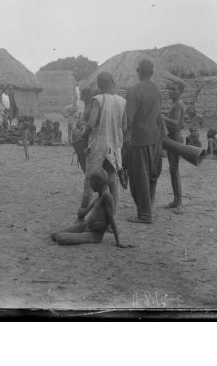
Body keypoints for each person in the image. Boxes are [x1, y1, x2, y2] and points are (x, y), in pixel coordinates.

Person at [79, 71, 126, 212]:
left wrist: (83, 136)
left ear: (99, 85)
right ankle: (111, 218)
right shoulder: (122, 101)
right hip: (115, 146)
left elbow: (91, 123)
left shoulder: (97, 100)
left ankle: (81, 217)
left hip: (98, 146)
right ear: (112, 83)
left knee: (89, 182)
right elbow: (125, 126)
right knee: (112, 182)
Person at [125, 59, 163, 224]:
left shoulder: (134, 91)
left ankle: (145, 215)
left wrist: (124, 136)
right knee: (152, 176)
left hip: (140, 139)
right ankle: (149, 207)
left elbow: (128, 119)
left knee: (139, 178)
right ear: (152, 72)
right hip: (155, 138)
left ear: (138, 70)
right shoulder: (157, 90)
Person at [50, 172, 132, 248]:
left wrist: (118, 242)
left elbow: (112, 220)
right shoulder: (99, 197)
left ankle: (79, 235)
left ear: (95, 183)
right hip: (86, 226)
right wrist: (81, 212)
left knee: (60, 237)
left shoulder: (106, 196)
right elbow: (85, 211)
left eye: (91, 184)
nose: (91, 186)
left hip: (94, 234)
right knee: (53, 235)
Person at [162, 81, 186, 213]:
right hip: (172, 138)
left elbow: (177, 124)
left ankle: (179, 203)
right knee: (172, 170)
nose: (170, 91)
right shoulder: (175, 104)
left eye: (174, 89)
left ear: (180, 92)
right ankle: (176, 200)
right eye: (170, 89)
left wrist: (163, 118)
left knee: (175, 171)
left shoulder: (178, 104)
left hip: (175, 138)